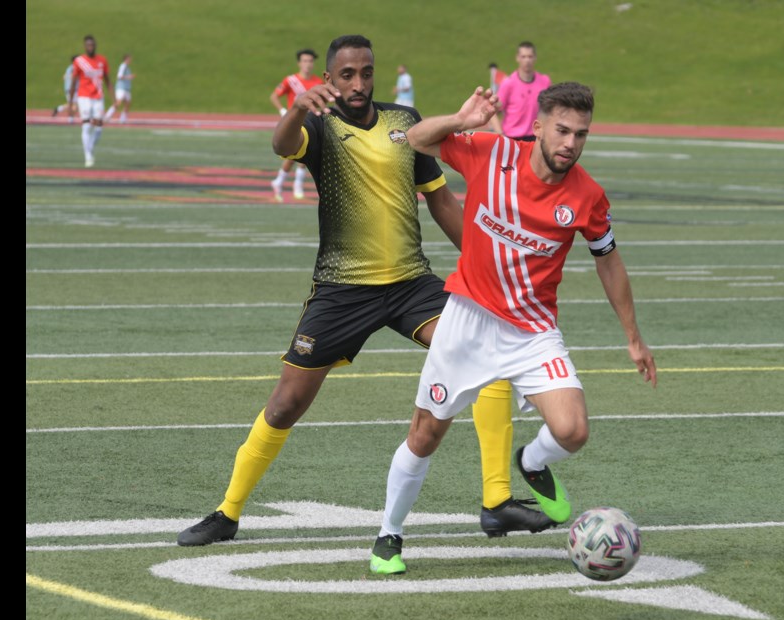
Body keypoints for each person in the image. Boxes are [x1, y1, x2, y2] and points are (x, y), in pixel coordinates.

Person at [176, 35, 552, 548]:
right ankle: (228, 512)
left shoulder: (405, 122)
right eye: (346, 74)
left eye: (366, 73)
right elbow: (281, 146)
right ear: (329, 79)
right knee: (286, 404)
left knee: (484, 354)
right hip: (341, 290)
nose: (357, 83)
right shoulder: (318, 122)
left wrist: (487, 265)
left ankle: (496, 501)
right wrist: (294, 108)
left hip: (410, 284)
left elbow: (441, 202)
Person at [369, 82, 657, 575]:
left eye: (581, 135)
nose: (570, 143)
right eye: (562, 130)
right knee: (426, 434)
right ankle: (388, 535)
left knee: (573, 429)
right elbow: (416, 137)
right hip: (466, 321)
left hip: (532, 330)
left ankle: (532, 463)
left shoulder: (587, 195)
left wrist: (632, 335)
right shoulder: (493, 154)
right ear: (539, 126)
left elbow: (609, 260)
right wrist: (461, 122)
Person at [269, 49, 324, 202]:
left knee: (307, 154)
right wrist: (282, 111)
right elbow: (274, 96)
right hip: (295, 123)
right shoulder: (291, 80)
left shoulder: (318, 82)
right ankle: (285, 182)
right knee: (294, 154)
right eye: (305, 61)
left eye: (311, 61)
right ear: (299, 63)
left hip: (311, 122)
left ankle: (291, 184)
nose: (308, 64)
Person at [493, 41, 552, 141]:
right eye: (523, 57)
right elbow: (493, 111)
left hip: (535, 136)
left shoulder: (544, 81)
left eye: (530, 56)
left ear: (535, 58)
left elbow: (551, 109)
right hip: (512, 137)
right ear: (518, 58)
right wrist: (499, 133)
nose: (527, 60)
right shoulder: (508, 83)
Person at [68, 35, 111, 168]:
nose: (91, 47)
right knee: (86, 125)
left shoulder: (102, 60)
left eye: (92, 45)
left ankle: (90, 147)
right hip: (84, 97)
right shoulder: (79, 61)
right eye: (88, 45)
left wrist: (114, 99)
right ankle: (88, 156)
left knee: (99, 127)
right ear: (85, 46)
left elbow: (108, 80)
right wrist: (71, 103)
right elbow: (74, 82)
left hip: (98, 97)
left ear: (95, 46)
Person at [104, 54, 135, 123]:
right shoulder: (123, 66)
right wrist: (129, 77)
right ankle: (107, 116)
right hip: (121, 88)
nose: (130, 60)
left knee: (127, 103)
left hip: (126, 88)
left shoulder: (127, 67)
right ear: (126, 59)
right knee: (118, 102)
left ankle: (123, 118)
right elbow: (119, 76)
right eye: (129, 59)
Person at [52, 56, 78, 122]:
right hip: (72, 89)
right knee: (74, 106)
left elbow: (63, 77)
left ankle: (58, 109)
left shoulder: (69, 68)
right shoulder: (74, 68)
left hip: (68, 88)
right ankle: (70, 118)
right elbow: (72, 77)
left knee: (72, 104)